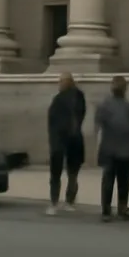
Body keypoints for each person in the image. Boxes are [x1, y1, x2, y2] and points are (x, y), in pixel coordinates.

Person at [94, 75, 129, 222]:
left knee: (112, 180)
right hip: (118, 148)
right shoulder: (126, 106)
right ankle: (118, 208)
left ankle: (110, 209)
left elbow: (99, 129)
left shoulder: (107, 105)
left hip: (113, 148)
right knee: (120, 181)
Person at [46, 72, 86, 215]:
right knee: (70, 173)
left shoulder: (64, 98)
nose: (59, 84)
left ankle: (57, 202)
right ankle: (66, 201)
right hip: (71, 139)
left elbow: (53, 121)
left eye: (61, 81)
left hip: (64, 139)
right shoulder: (76, 97)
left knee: (64, 173)